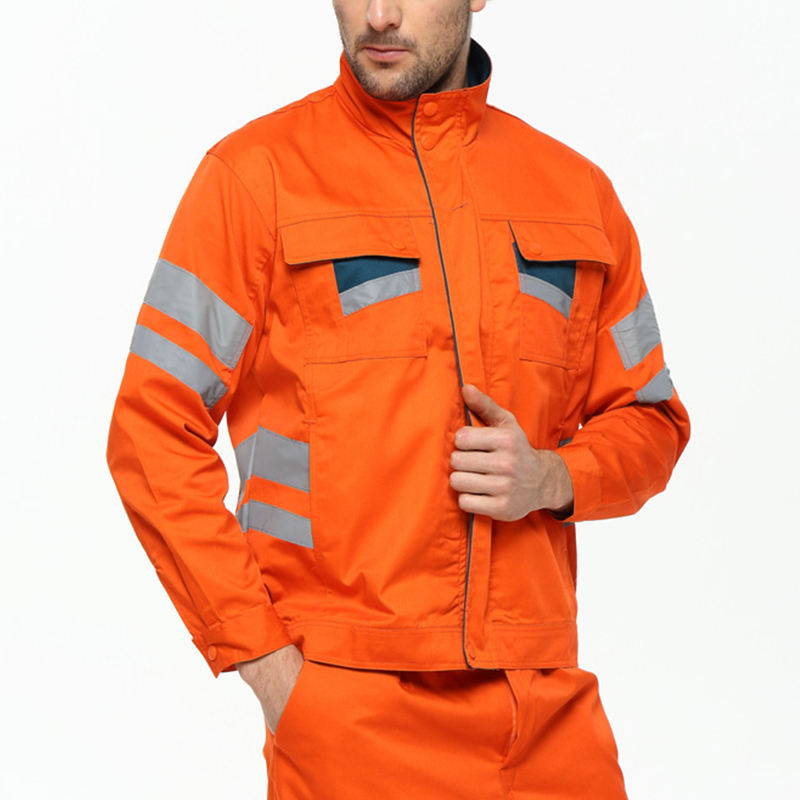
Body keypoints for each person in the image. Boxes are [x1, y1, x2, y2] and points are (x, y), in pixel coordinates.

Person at [106, 1, 691, 797]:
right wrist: (273, 672)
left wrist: (554, 477)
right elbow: (150, 429)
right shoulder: (254, 178)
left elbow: (651, 418)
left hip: (547, 715)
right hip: (350, 713)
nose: (379, 16)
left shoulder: (576, 192)